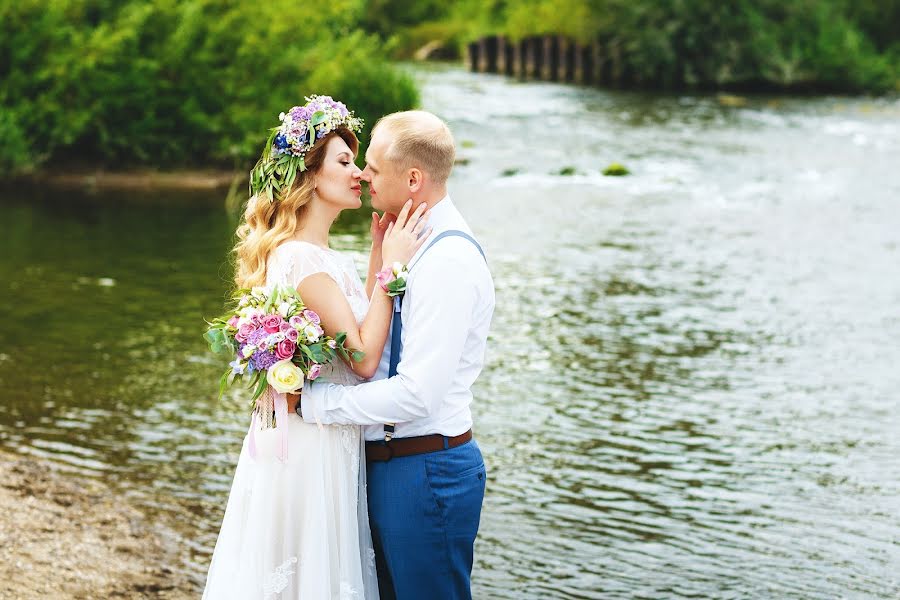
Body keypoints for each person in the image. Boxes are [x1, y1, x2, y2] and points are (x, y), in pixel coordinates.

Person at [202, 96, 429, 600]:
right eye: (344, 162)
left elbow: (355, 324)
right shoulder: (304, 261)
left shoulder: (317, 256)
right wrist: (394, 269)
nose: (359, 174)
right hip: (313, 444)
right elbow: (366, 358)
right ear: (309, 177)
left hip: (317, 433)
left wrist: (376, 252)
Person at [294, 110, 496, 600]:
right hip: (387, 465)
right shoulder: (407, 244)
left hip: (424, 471)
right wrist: (381, 261)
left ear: (412, 178)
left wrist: (317, 405)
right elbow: (372, 340)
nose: (363, 176)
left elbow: (416, 395)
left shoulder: (447, 261)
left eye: (373, 167)